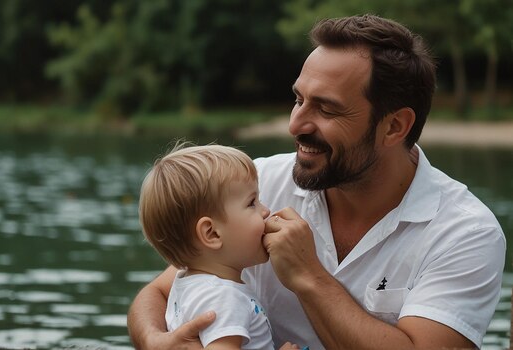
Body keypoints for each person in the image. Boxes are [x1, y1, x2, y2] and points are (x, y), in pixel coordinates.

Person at [127, 14, 506, 349]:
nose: (296, 124)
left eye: (326, 108)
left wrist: (308, 277)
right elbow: (159, 294)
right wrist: (156, 341)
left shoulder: (465, 233)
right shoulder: (256, 185)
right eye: (298, 100)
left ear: (394, 126)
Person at [138, 142, 301, 349]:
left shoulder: (185, 283)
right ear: (212, 233)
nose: (266, 211)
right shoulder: (223, 298)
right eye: (252, 203)